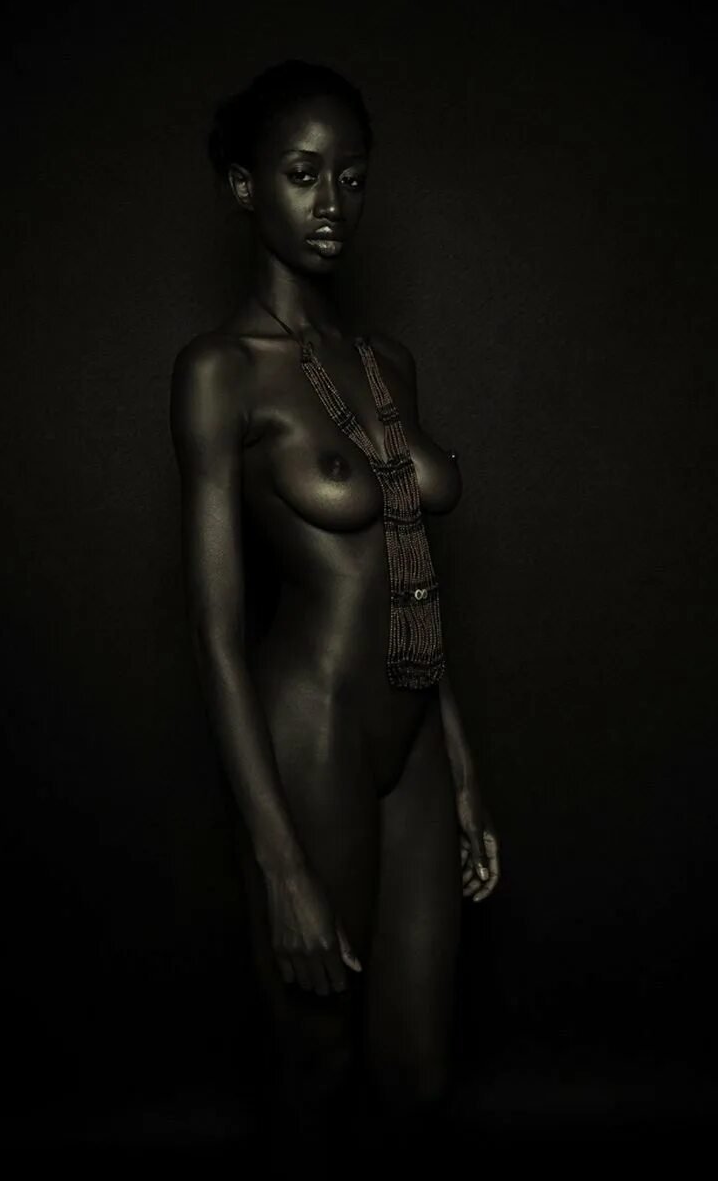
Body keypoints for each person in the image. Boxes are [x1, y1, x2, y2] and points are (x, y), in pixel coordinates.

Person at [169, 59, 500, 1170]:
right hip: (308, 733)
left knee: (417, 1074)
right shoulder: (221, 373)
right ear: (243, 186)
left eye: (351, 178)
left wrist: (460, 766)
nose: (331, 204)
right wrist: (281, 868)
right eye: (302, 174)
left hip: (414, 740)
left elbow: (411, 567)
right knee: (314, 1063)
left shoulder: (387, 363)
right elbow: (214, 635)